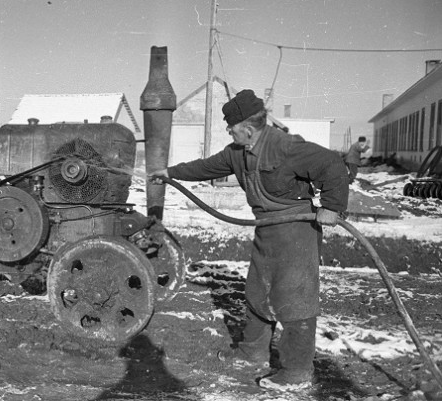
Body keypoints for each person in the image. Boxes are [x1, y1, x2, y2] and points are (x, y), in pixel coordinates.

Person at [149, 89, 349, 392]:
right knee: (257, 290)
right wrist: (169, 173)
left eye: (231, 128)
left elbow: (332, 165)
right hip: (266, 228)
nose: (229, 132)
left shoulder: (285, 146)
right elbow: (205, 167)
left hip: (296, 230)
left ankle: (296, 371)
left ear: (248, 128)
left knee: (294, 300)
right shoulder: (237, 153)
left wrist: (332, 207)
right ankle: (253, 352)